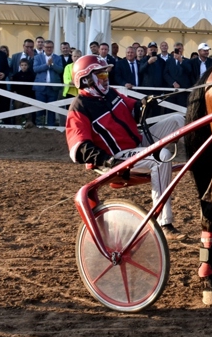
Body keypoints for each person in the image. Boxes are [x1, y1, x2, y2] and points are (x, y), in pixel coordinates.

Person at [65, 54, 186, 239]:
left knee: (178, 119)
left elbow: (134, 109)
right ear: (87, 79)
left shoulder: (111, 93)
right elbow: (78, 149)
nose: (106, 79)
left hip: (138, 144)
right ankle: (165, 223)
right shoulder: (79, 108)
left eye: (106, 74)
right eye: (102, 75)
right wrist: (107, 160)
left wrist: (145, 104)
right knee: (162, 156)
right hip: (118, 157)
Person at [33, 40, 64, 127]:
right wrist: (47, 65)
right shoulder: (37, 57)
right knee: (40, 108)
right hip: (40, 87)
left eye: (50, 47)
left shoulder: (58, 58)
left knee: (52, 109)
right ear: (43, 47)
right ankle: (40, 126)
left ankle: (51, 126)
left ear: (53, 48)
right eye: (47, 47)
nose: (49, 49)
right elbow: (35, 69)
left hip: (53, 88)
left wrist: (53, 64)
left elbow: (60, 70)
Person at [10, 58, 37, 127]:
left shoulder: (32, 75)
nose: (23, 66)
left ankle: (29, 125)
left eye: (25, 65)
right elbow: (13, 86)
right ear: (20, 66)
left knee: (28, 113)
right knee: (17, 112)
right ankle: (17, 125)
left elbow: (33, 87)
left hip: (28, 96)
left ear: (28, 66)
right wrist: (14, 93)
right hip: (18, 96)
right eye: (22, 65)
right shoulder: (16, 75)